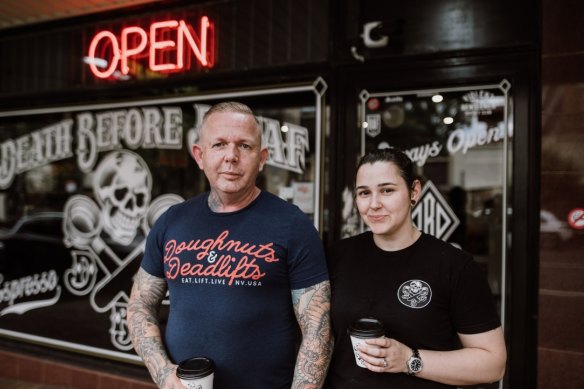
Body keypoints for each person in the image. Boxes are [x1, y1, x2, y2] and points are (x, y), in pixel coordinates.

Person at [127, 101, 332, 389]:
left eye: (244, 146)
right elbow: (140, 305)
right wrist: (163, 373)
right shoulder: (171, 222)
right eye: (219, 144)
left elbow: (317, 329)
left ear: (262, 158)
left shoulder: (292, 226)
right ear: (200, 155)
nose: (231, 157)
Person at [325, 148, 506, 388]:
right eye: (364, 193)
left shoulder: (454, 265)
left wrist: (409, 360)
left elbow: (492, 363)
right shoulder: (337, 256)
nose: (374, 204)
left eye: (387, 190)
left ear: (414, 192)